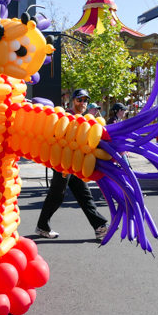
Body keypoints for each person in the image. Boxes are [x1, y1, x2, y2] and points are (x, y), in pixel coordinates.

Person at [35, 88, 109, 241]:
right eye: (79, 99)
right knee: (56, 196)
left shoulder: (85, 120)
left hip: (76, 165)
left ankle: (99, 227)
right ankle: (42, 227)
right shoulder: (66, 117)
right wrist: (60, 164)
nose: (82, 103)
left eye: (85, 100)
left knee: (85, 196)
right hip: (63, 165)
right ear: (73, 101)